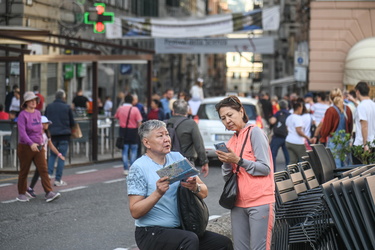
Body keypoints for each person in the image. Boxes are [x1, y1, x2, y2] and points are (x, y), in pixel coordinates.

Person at [127, 120, 233, 250]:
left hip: (181, 228)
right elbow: (135, 211)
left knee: (222, 243)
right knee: (189, 240)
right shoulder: (139, 167)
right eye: (160, 136)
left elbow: (204, 192)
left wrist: (195, 187)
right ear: (146, 142)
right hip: (151, 232)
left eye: (167, 134)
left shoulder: (176, 158)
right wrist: (157, 193)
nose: (166, 139)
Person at [214, 95, 275, 250]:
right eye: (223, 118)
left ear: (241, 111)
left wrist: (238, 160)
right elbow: (228, 177)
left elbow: (265, 168)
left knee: (259, 248)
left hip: (260, 201)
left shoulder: (255, 133)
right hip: (237, 203)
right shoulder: (231, 141)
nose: (227, 120)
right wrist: (227, 162)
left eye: (230, 115)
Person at [16, 91, 60, 202]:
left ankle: (49, 192)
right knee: (24, 171)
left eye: (35, 100)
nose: (33, 102)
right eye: (30, 100)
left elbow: (40, 130)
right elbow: (22, 133)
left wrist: (41, 143)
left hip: (39, 146)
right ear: (26, 103)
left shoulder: (38, 113)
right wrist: (31, 143)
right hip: (26, 146)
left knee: (43, 169)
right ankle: (21, 194)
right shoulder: (22, 115)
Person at [26, 116, 65, 198]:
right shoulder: (36, 134)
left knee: (38, 173)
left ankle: (30, 189)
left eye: (47, 123)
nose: (47, 125)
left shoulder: (47, 133)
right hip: (38, 156)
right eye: (46, 123)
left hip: (44, 156)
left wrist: (59, 154)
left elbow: (51, 145)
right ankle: (48, 192)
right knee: (44, 173)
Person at [168, 99, 209, 177]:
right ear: (187, 111)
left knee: (170, 187)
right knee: (189, 187)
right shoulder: (191, 124)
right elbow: (199, 144)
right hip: (186, 163)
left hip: (168, 162)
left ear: (173, 111)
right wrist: (204, 162)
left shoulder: (166, 123)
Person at [45, 89, 75, 186]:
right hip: (64, 135)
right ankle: (58, 180)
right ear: (64, 97)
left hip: (52, 134)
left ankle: (49, 174)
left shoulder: (49, 107)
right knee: (61, 156)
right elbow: (72, 122)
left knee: (53, 155)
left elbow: (45, 120)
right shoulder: (67, 107)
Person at [319, 88, 353, 167]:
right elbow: (350, 126)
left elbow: (325, 128)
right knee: (346, 164)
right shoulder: (347, 109)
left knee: (335, 164)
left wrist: (322, 137)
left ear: (330, 98)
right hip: (346, 140)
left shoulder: (330, 110)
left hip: (334, 141)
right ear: (341, 96)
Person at [114, 94, 143, 176]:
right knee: (134, 150)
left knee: (125, 151)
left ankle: (126, 168)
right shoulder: (135, 109)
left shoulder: (120, 109)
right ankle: (132, 168)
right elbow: (139, 121)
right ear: (132, 101)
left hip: (123, 131)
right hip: (133, 131)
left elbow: (116, 117)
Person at [352, 81, 375, 164]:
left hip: (361, 144)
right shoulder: (373, 104)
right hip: (373, 143)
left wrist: (365, 144)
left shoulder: (361, 106)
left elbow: (364, 125)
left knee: (358, 172)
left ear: (358, 91)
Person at [269, 99, 290, 170]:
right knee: (288, 155)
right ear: (287, 106)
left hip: (277, 136)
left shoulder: (278, 113)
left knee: (272, 154)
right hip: (287, 137)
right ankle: (288, 171)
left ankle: (273, 171)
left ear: (279, 106)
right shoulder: (289, 114)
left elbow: (272, 121)